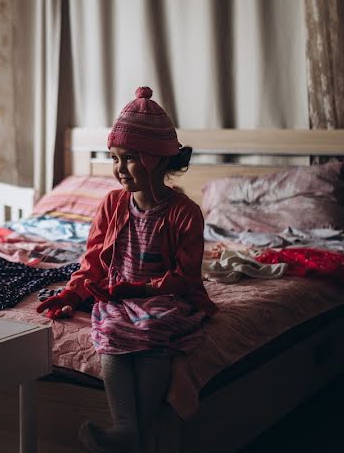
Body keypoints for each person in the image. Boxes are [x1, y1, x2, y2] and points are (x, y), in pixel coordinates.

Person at [37, 86, 217, 453]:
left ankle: (132, 433)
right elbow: (92, 264)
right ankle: (126, 429)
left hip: (164, 297)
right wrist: (73, 293)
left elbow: (185, 279)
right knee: (112, 329)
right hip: (119, 297)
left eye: (130, 158)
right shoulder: (111, 205)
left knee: (154, 328)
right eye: (114, 159)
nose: (119, 169)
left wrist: (142, 291)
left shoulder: (184, 213)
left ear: (158, 160)